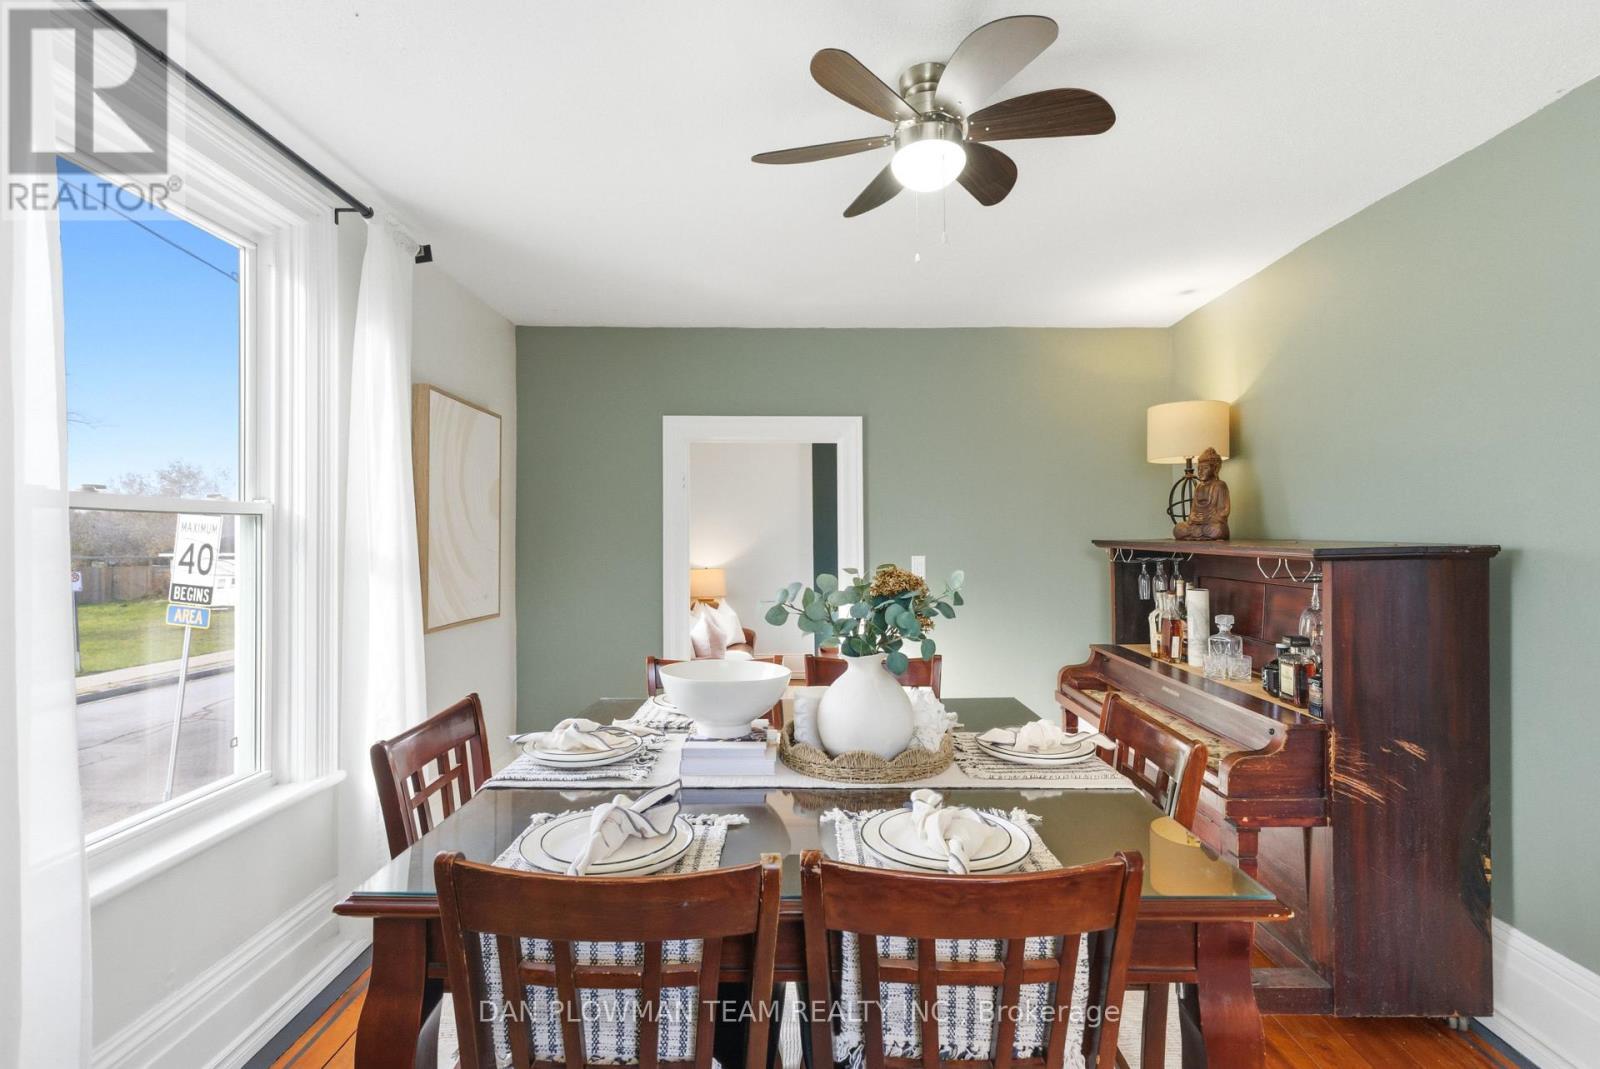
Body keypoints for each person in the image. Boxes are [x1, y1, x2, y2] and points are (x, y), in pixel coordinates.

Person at [1174, 446, 1230, 540]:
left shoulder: (1220, 485)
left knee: (1218, 530)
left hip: (1211, 525)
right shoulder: (1199, 487)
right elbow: (1193, 512)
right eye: (1199, 468)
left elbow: (1223, 512)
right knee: (1178, 529)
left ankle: (1197, 534)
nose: (1200, 471)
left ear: (1215, 469)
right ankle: (1198, 534)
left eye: (1205, 468)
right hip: (1197, 526)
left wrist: (1207, 518)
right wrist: (1193, 518)